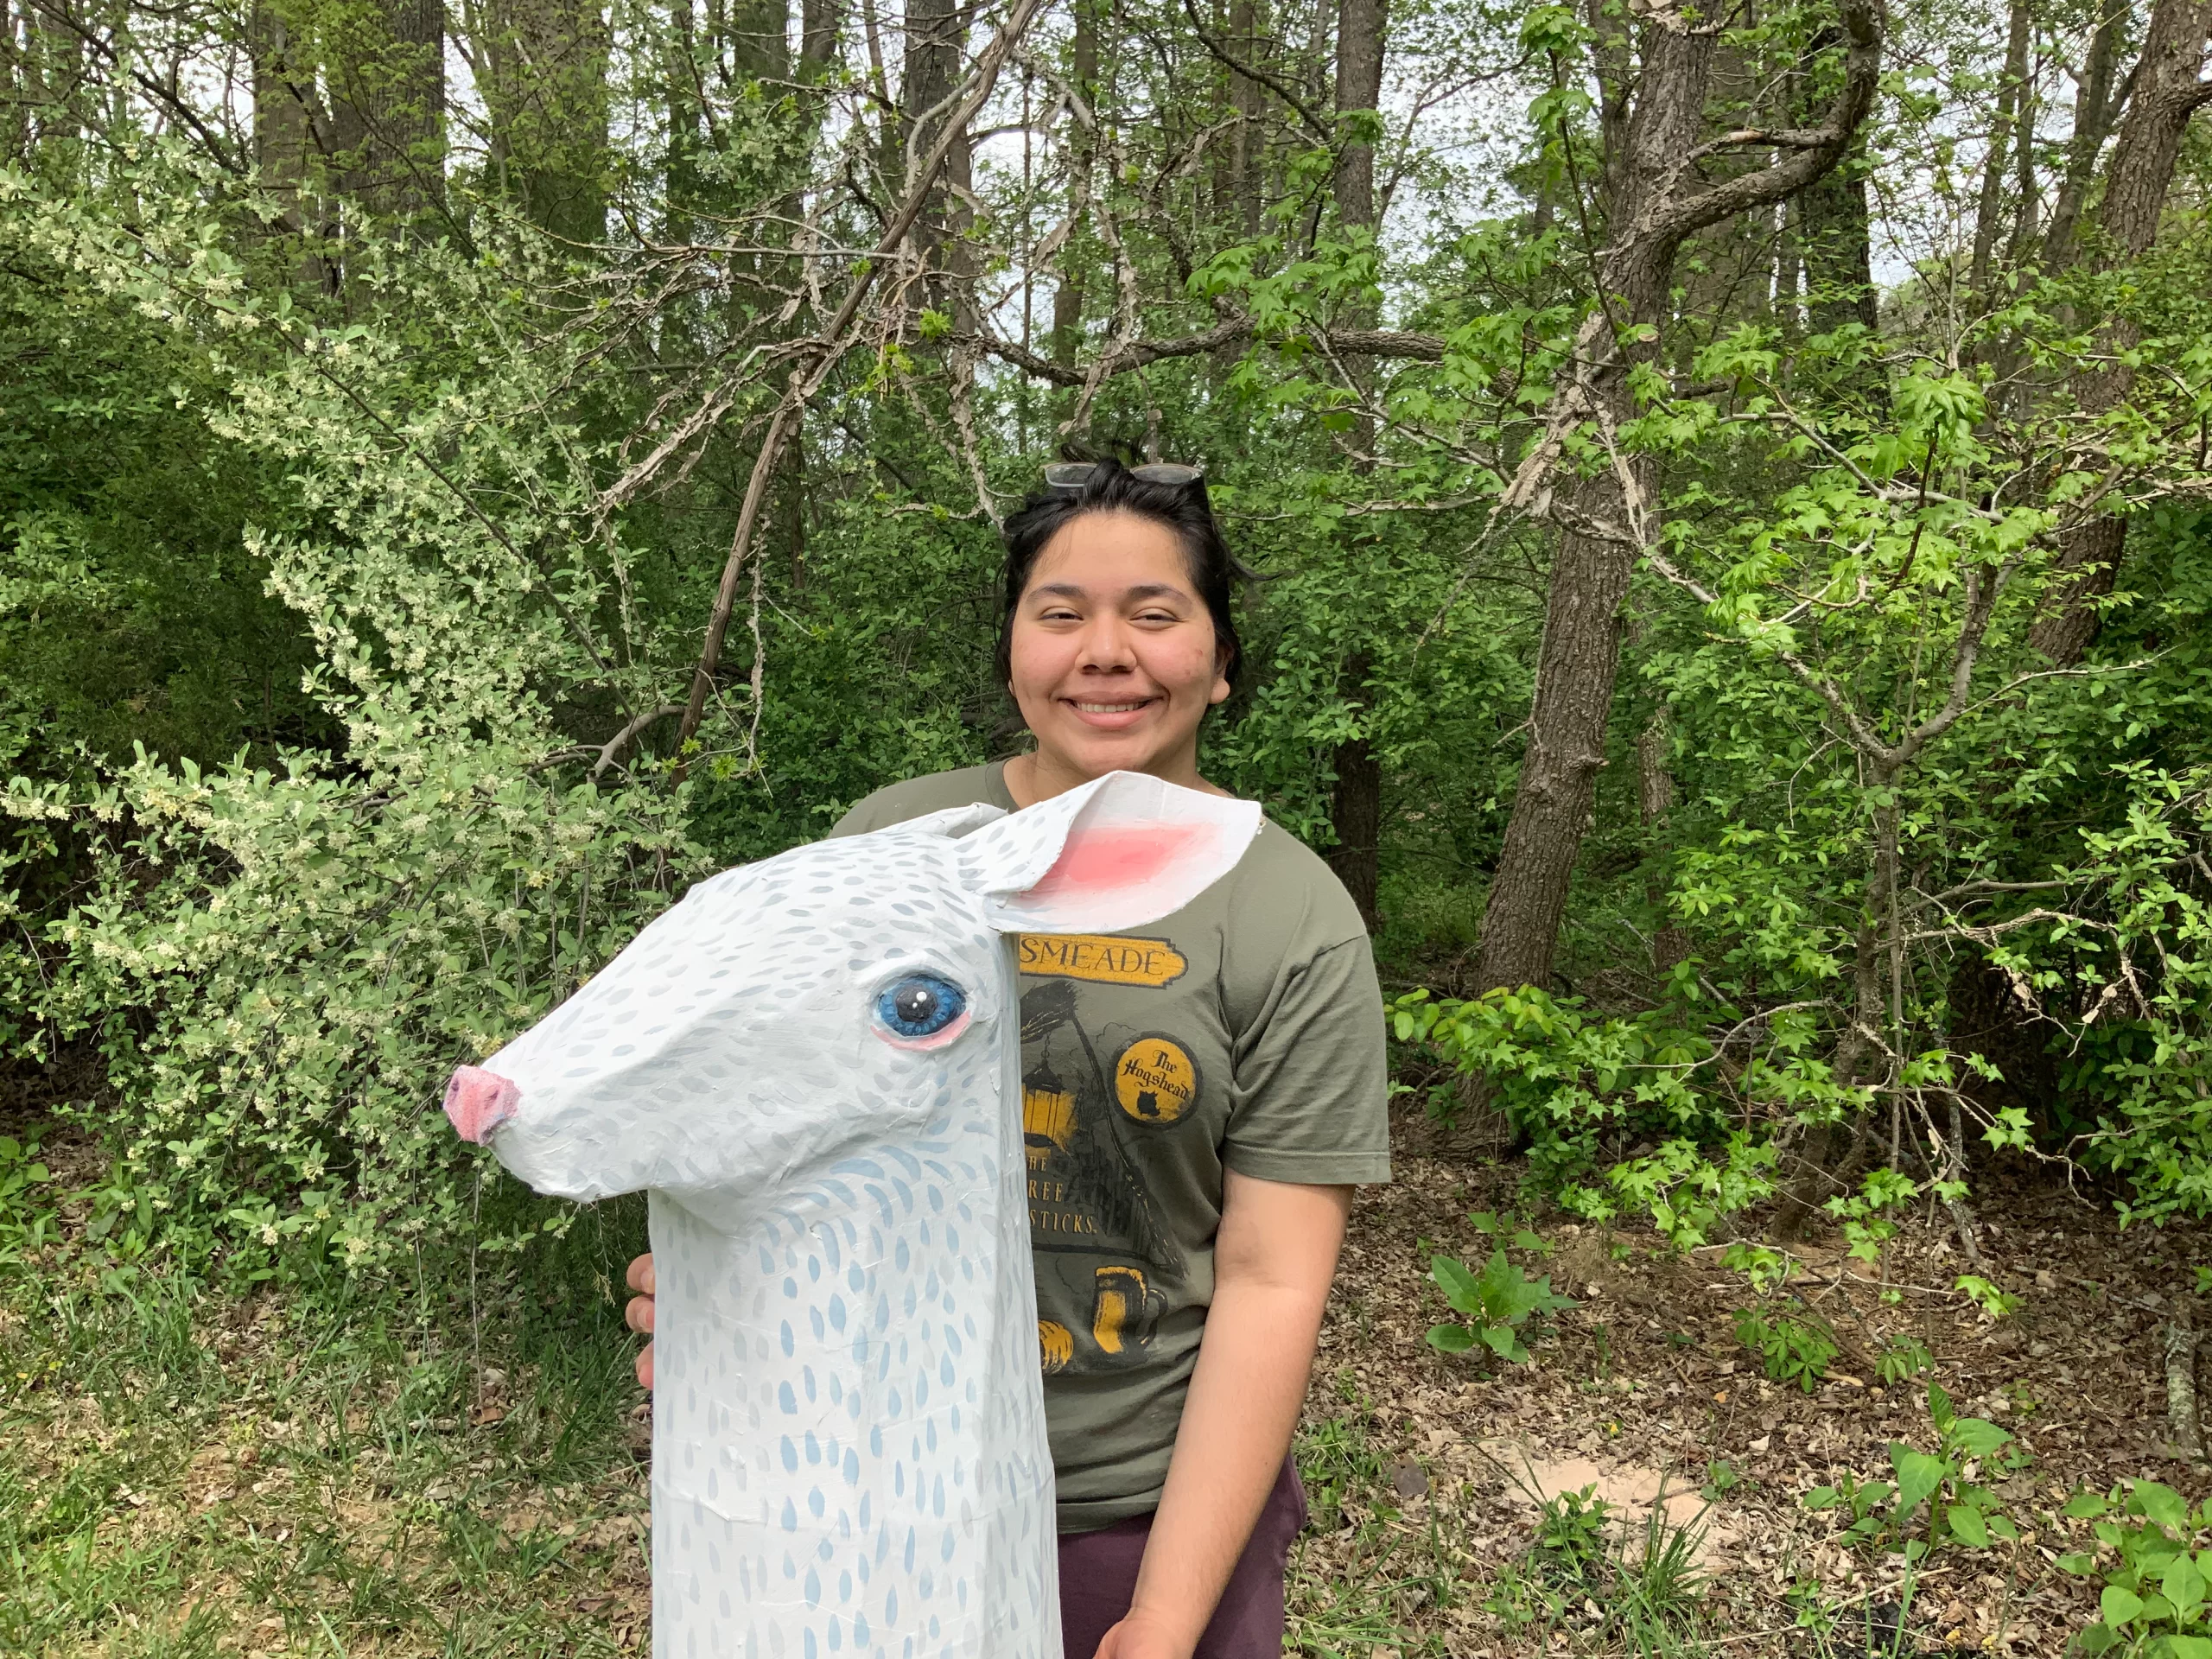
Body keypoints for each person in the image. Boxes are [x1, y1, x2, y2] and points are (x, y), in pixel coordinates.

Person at [622, 458, 1391, 1659]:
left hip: (1129, 1519)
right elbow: (791, 1139)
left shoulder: (1288, 915)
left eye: (1154, 613)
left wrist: (1165, 1615)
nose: (1105, 651)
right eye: (1061, 613)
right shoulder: (891, 844)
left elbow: (1268, 1282)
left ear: (1222, 663)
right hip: (872, 1484)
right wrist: (721, 1290)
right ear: (1013, 656)